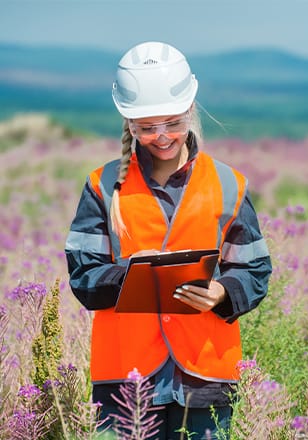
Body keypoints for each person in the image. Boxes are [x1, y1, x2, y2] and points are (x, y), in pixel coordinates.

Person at [64, 41, 272, 439]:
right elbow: (83, 277)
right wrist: (129, 274)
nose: (161, 136)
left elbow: (254, 268)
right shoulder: (103, 187)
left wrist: (222, 293)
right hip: (125, 380)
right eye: (147, 128)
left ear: (190, 112)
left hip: (206, 378)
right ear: (129, 125)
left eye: (172, 123)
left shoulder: (229, 185)